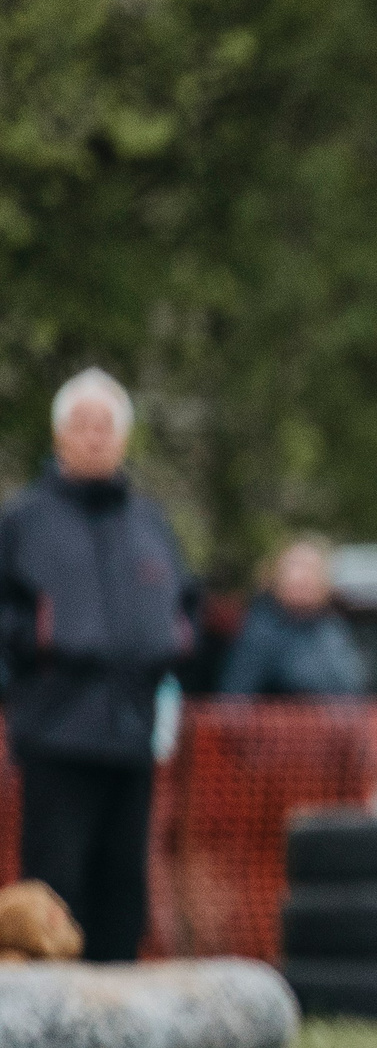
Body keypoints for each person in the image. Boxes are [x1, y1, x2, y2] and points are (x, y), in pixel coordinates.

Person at [0, 368, 197, 961]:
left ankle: (117, 1011)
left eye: (105, 426)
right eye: (82, 425)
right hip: (56, 730)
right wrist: (35, 648)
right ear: (60, 436)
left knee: (124, 884)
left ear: (123, 438)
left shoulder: (149, 523)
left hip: (133, 731)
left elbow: (185, 605)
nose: (93, 437)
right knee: (56, 890)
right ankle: (52, 1017)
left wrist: (173, 646)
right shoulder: (23, 521)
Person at [221, 537, 367, 697]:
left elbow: (351, 687)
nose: (302, 577)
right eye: (295, 568)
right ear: (277, 578)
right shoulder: (260, 631)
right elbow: (236, 698)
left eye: (310, 569)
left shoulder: (333, 629)